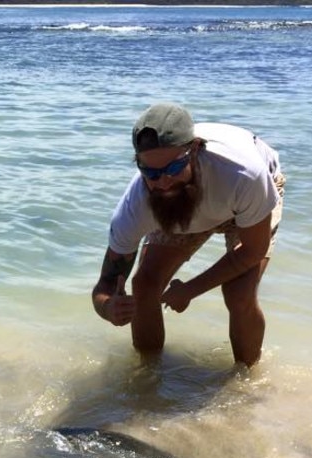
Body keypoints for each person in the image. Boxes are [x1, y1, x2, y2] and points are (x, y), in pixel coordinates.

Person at [91, 102, 284, 366]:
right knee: (145, 284)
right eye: (151, 172)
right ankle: (147, 377)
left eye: (172, 168)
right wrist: (108, 308)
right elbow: (105, 285)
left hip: (243, 201)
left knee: (239, 292)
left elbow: (253, 252)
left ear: (194, 150)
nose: (163, 182)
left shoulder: (245, 175)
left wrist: (190, 290)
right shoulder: (136, 205)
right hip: (186, 208)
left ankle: (245, 383)